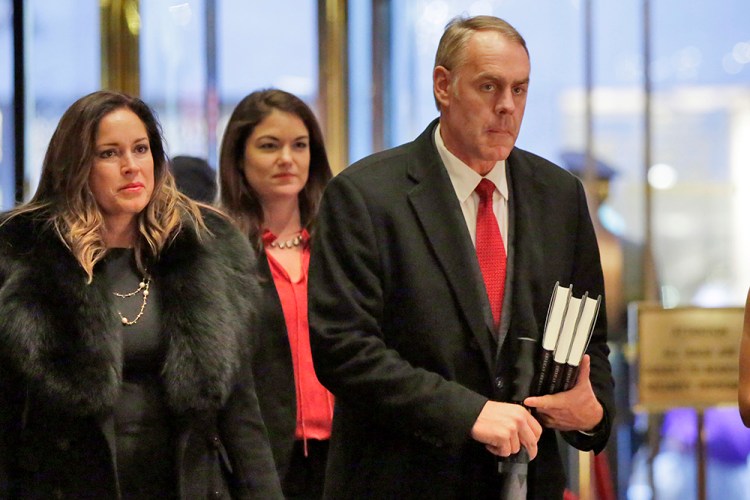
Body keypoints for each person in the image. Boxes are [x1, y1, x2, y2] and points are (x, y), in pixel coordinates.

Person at [308, 15, 615, 499]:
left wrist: (593, 412)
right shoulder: (365, 196)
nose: (507, 106)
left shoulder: (560, 196)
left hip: (529, 482)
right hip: (401, 479)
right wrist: (468, 413)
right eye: (489, 86)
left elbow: (590, 339)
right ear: (443, 86)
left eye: (520, 89)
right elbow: (344, 350)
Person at [0, 90, 283, 499]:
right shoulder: (24, 256)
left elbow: (241, 413)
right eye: (109, 154)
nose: (132, 167)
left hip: (187, 484)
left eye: (141, 149)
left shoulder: (205, 250)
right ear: (75, 165)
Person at [219, 88, 334, 498]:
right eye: (270, 146)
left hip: (346, 458)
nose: (287, 158)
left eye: (299, 145)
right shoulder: (218, 251)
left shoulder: (342, 244)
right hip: (262, 465)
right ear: (239, 157)